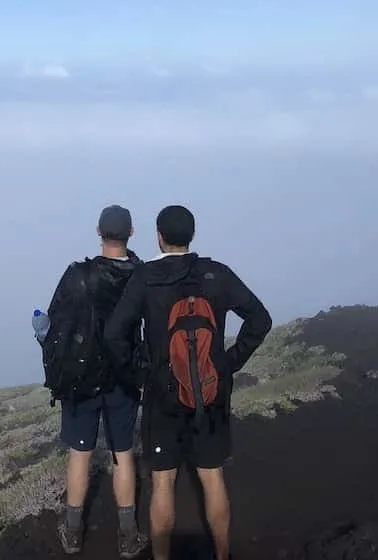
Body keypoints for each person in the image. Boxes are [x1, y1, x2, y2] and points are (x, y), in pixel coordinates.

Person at [103, 204, 273, 560]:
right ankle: (222, 554)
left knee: (162, 482)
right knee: (212, 477)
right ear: (191, 235)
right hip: (210, 394)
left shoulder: (145, 278)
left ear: (159, 237)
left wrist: (139, 375)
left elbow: (114, 335)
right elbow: (260, 318)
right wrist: (228, 363)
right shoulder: (217, 274)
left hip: (162, 395)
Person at [41, 204, 150, 558]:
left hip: (81, 378)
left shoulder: (77, 274)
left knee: (80, 455)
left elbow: (55, 322)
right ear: (131, 233)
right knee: (123, 454)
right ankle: (128, 534)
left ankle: (73, 533)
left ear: (98, 232)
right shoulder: (142, 276)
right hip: (124, 377)